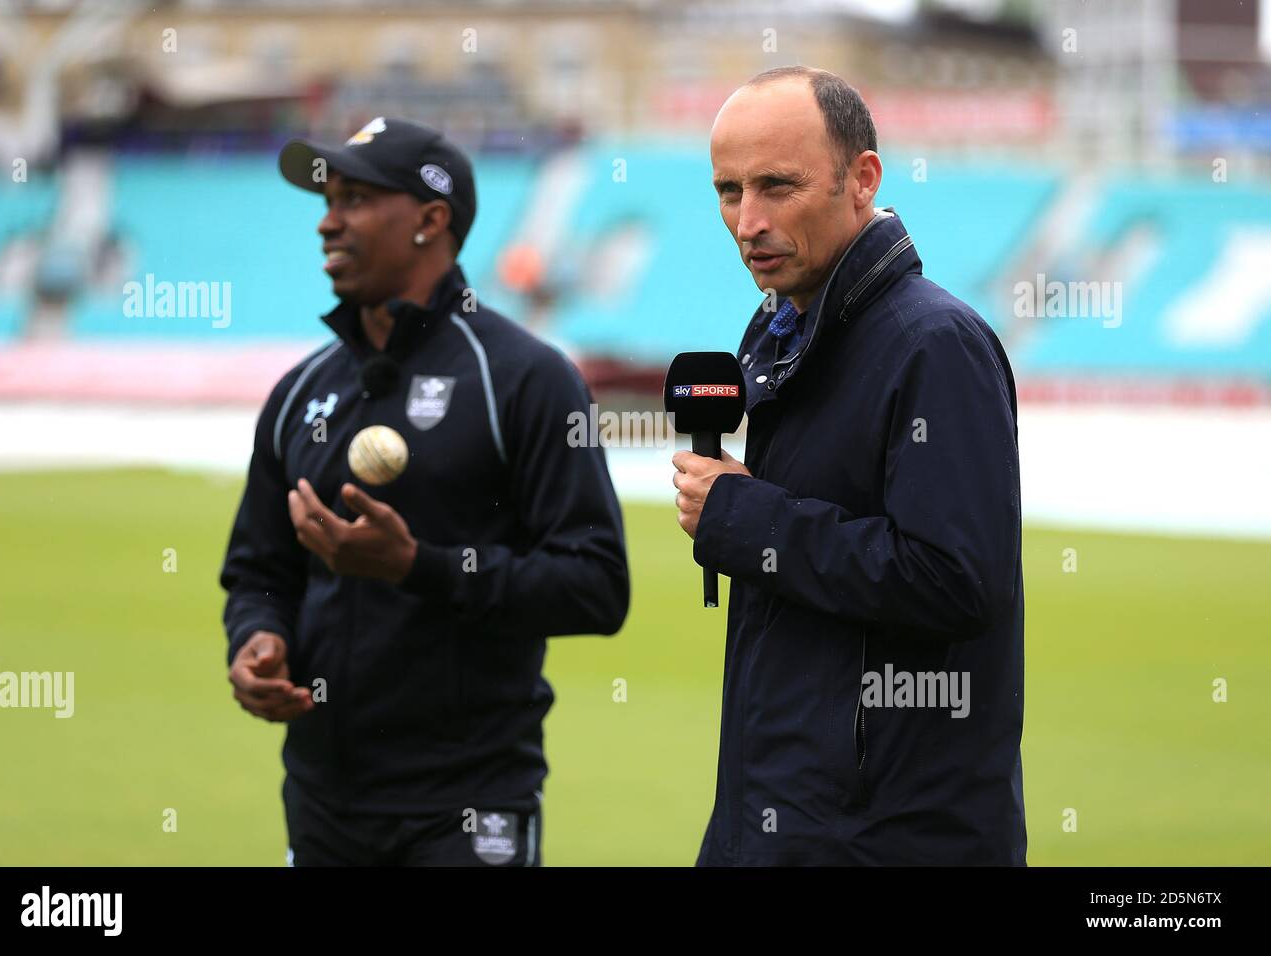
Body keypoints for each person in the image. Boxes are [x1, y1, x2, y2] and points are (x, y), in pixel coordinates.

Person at [220, 116, 629, 866]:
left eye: (355, 198)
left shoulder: (527, 380)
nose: (327, 221)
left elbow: (597, 587)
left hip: (467, 809)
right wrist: (257, 638)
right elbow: (258, 569)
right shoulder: (299, 392)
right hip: (321, 803)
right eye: (326, 199)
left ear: (430, 220)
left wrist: (418, 566)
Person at [672, 67, 1026, 865]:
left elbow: (955, 579)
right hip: (780, 817)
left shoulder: (934, 345)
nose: (747, 221)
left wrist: (741, 515)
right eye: (728, 190)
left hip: (883, 837)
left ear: (862, 179)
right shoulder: (782, 331)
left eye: (778, 186)